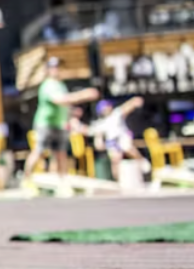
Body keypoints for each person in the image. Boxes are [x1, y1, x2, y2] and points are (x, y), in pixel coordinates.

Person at [23, 57, 101, 186]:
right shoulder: (47, 85)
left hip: (59, 123)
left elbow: (64, 105)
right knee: (39, 150)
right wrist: (83, 95)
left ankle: (62, 181)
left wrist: (71, 112)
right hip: (45, 123)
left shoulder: (60, 85)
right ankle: (27, 179)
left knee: (60, 152)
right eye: (53, 67)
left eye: (58, 67)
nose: (56, 70)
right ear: (48, 70)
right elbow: (59, 100)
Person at [91, 96, 144, 181]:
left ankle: (142, 164)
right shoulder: (100, 122)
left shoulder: (116, 113)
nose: (108, 108)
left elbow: (126, 107)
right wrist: (99, 142)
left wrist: (134, 101)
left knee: (127, 148)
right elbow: (98, 135)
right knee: (115, 160)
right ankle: (118, 180)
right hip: (111, 142)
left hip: (122, 137)